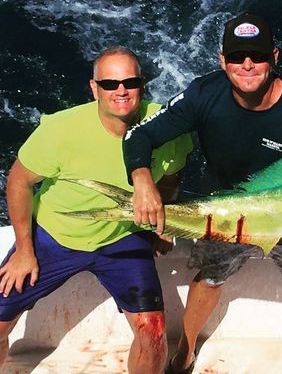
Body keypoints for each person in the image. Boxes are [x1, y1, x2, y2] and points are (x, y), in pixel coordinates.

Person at [123, 13, 282, 373]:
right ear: (222, 61)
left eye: (257, 56)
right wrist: (142, 179)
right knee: (210, 278)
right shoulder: (203, 94)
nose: (247, 65)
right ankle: (184, 354)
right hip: (226, 215)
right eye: (236, 57)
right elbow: (139, 135)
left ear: (275, 58)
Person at [0, 46, 192, 373]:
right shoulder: (60, 131)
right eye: (110, 84)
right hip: (54, 236)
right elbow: (18, 182)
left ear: (142, 85)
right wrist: (25, 251)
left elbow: (172, 174)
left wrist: (159, 224)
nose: (121, 90)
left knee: (154, 332)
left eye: (130, 82)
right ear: (94, 88)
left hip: (123, 235)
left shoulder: (169, 129)